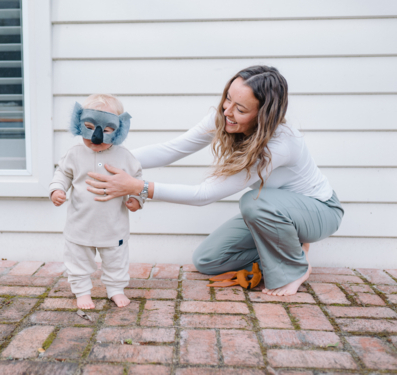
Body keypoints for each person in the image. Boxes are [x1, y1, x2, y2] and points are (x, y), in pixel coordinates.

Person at [84, 66, 344, 296]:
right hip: (275, 211)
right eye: (228, 99)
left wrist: (139, 187)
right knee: (208, 260)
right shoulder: (225, 117)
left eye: (240, 109)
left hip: (318, 210)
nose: (227, 111)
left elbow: (203, 195)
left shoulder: (279, 144)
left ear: (263, 115)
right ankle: (291, 249)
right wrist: (113, 159)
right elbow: (171, 149)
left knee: (253, 203)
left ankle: (294, 270)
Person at [49, 94, 143, 309]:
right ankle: (82, 292)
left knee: (116, 261)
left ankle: (116, 289)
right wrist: (57, 189)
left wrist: (136, 198)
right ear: (79, 123)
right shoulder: (74, 154)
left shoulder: (124, 157)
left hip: (113, 226)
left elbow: (137, 179)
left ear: (118, 129)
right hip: (80, 226)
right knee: (78, 262)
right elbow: (62, 174)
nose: (96, 137)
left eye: (107, 130)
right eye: (89, 127)